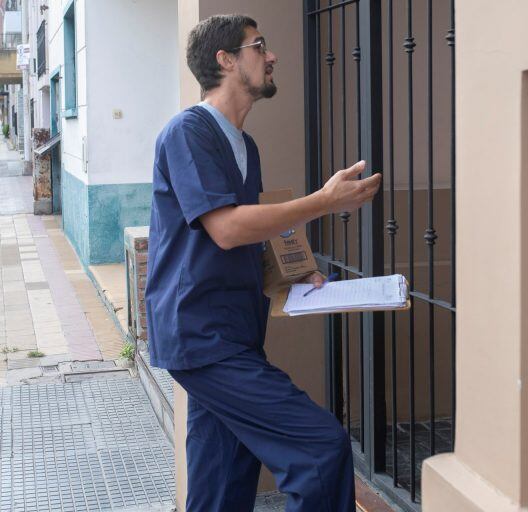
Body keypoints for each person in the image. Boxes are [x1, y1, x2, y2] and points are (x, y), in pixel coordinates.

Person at [145, 14, 381, 512]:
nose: (272, 56)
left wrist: (291, 274)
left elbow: (244, 239)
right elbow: (226, 228)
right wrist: (323, 200)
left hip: (234, 333)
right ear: (226, 60)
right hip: (201, 337)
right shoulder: (188, 133)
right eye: (259, 46)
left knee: (221, 481)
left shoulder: (244, 146)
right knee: (321, 448)